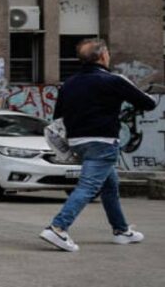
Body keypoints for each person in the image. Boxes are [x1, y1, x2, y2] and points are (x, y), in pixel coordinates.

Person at [39, 38, 158, 252]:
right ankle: (58, 228)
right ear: (103, 56)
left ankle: (121, 231)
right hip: (102, 142)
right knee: (88, 186)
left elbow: (58, 116)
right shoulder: (113, 80)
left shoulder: (69, 83)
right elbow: (148, 103)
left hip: (77, 142)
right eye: (108, 53)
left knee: (110, 187)